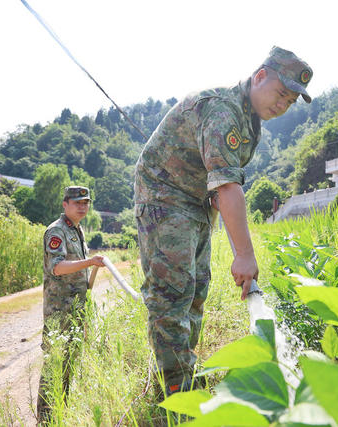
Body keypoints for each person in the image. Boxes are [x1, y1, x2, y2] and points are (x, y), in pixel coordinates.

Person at [134, 46, 313, 396]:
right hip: (164, 195)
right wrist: (245, 255)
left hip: (197, 201)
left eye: (290, 102)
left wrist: (236, 242)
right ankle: (173, 389)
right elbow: (228, 185)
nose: (282, 105)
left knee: (196, 287)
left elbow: (222, 186)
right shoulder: (224, 111)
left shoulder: (252, 123)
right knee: (173, 293)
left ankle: (181, 369)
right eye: (280, 93)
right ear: (260, 76)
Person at [37, 186, 105, 423]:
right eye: (77, 203)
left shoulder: (76, 230)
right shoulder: (56, 231)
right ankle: (46, 420)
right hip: (59, 310)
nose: (83, 207)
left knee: (68, 364)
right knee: (54, 365)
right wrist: (90, 262)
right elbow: (57, 267)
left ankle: (60, 413)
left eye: (86, 202)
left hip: (75, 308)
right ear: (65, 204)